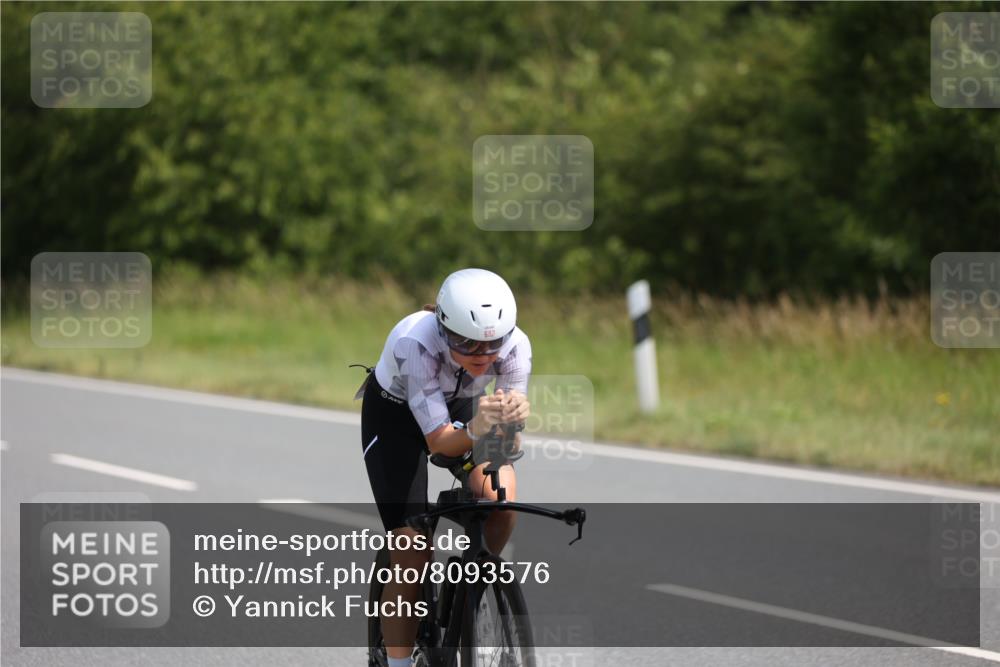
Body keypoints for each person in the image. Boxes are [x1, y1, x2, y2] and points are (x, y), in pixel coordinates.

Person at [358, 267, 532, 667]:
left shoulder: (517, 346)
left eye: (492, 346)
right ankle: (399, 661)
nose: (482, 356)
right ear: (443, 328)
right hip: (396, 417)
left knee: (500, 499)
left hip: (463, 407)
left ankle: (476, 591)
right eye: (466, 344)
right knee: (412, 551)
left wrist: (513, 424)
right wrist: (480, 427)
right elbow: (438, 442)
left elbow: (509, 443)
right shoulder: (414, 344)